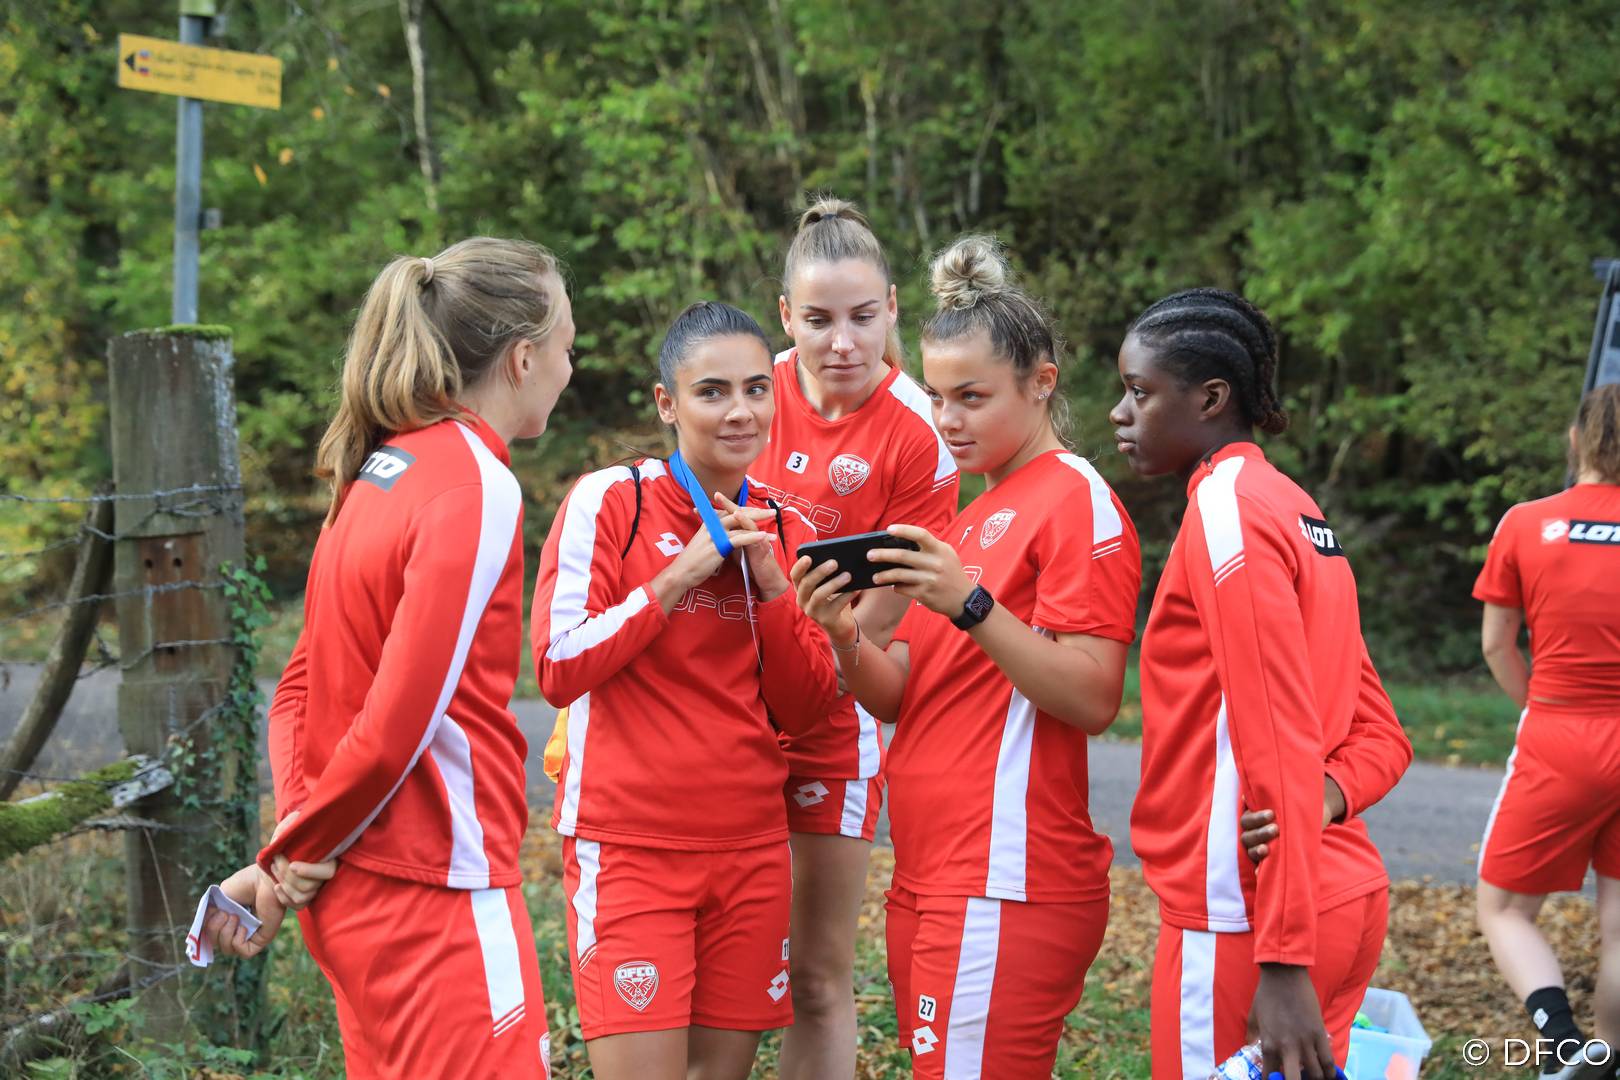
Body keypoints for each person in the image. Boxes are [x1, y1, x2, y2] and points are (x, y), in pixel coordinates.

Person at [207, 237, 575, 1080]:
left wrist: (294, 843)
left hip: (353, 889)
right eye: (567, 347)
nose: (568, 368)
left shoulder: (376, 465)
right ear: (523, 358)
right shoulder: (476, 485)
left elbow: (295, 686)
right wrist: (287, 855)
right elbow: (402, 717)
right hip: (435, 895)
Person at [793, 235, 1140, 1078]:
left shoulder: (1076, 500)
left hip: (1008, 882)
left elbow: (1094, 697)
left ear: (1042, 382)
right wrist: (843, 634)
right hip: (931, 875)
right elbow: (899, 697)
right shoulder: (958, 522)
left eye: (973, 398)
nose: (947, 421)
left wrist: (972, 605)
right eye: (939, 397)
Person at [532, 301, 839, 1080]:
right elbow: (559, 664)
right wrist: (674, 579)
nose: (740, 411)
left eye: (754, 389)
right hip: (631, 844)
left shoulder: (782, 524)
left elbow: (806, 710)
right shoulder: (613, 500)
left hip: (749, 847)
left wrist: (773, 590)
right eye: (711, 392)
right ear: (668, 403)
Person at [1113, 287, 1411, 1080]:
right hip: (1345, 895)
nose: (1119, 412)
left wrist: (1282, 959)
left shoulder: (1229, 512)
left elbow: (1274, 727)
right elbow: (1383, 734)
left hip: (1247, 918)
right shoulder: (1297, 510)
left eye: (1140, 392)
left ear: (1211, 399)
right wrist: (1323, 800)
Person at [750, 196, 958, 1079]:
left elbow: (888, 615)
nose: (843, 342)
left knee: (815, 977)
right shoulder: (746, 386)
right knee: (723, 961)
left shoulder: (921, 431)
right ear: (786, 315)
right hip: (727, 703)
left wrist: (812, 659)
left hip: (835, 709)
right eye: (821, 320)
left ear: (894, 309)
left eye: (863, 318)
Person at [1473, 383, 1620, 1080]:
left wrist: (1541, 705)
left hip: (1560, 731)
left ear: (1575, 440)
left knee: (1503, 908)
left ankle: (1564, 1047)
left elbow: (1499, 644)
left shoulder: (1525, 523)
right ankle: (1609, 1056)